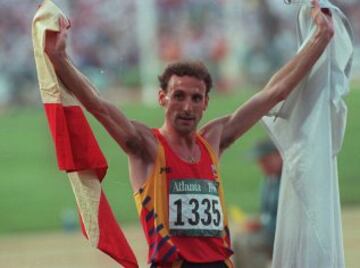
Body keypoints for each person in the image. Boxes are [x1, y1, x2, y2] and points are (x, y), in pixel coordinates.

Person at [44, 1, 333, 267]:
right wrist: (60, 60)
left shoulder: (213, 139)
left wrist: (320, 39)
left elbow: (274, 92)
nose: (187, 107)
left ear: (206, 102)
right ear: (162, 98)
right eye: (178, 96)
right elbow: (98, 105)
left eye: (196, 98)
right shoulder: (145, 145)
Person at [232, 139, 282, 268]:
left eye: (265, 160)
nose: (261, 165)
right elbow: (267, 212)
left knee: (248, 244)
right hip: (269, 230)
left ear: (278, 155)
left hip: (281, 234)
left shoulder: (287, 182)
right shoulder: (268, 180)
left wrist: (262, 223)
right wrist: (258, 221)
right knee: (236, 241)